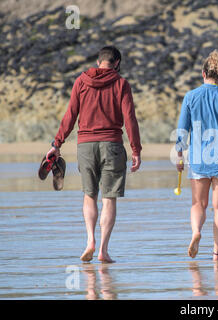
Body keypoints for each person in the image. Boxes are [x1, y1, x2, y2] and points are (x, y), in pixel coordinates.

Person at [46, 46, 142, 263]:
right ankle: (103, 250)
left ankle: (89, 240)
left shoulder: (81, 81)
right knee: (109, 199)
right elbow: (130, 119)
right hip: (112, 145)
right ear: (116, 63)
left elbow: (70, 114)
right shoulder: (121, 83)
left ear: (99, 62)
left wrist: (57, 143)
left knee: (89, 195)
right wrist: (136, 150)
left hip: (85, 146)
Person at [175, 50, 218, 261]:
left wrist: (179, 156)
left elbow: (182, 130)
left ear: (202, 73)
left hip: (198, 160)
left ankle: (197, 231)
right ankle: (217, 253)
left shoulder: (190, 97)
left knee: (198, 204)